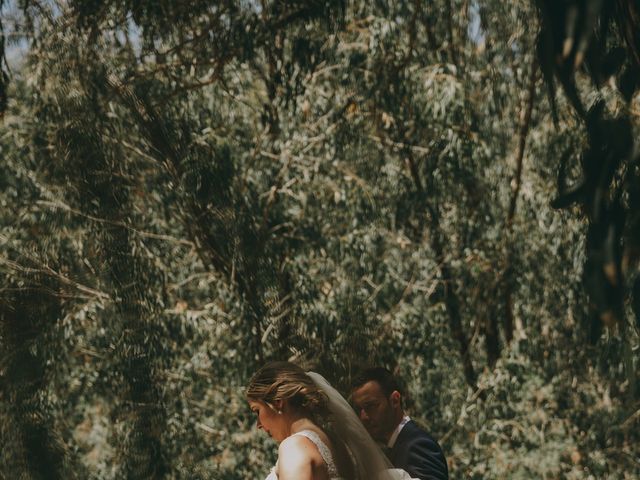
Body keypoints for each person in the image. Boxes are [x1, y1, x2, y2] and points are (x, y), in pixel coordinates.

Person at [247, 361, 414, 480]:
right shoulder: (339, 444)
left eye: (257, 411)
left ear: (278, 402)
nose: (259, 424)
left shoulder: (295, 446)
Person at [351, 367, 448, 480]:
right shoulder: (394, 445)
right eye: (359, 409)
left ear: (395, 400)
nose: (363, 417)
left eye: (371, 406)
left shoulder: (418, 444)